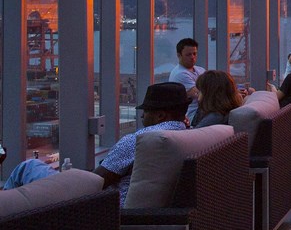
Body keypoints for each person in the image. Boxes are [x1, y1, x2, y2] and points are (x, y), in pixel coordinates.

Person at [4, 83, 190, 205]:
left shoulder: (139, 141)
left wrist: (68, 177)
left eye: (146, 111)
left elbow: (94, 183)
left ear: (160, 115)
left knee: (27, 167)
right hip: (132, 213)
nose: (142, 116)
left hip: (98, 209)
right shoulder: (188, 135)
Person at [168, 37, 204, 122]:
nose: (192, 57)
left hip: (202, 111)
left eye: (194, 54)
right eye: (188, 54)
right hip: (192, 115)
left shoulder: (200, 70)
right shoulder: (180, 74)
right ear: (179, 55)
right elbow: (201, 95)